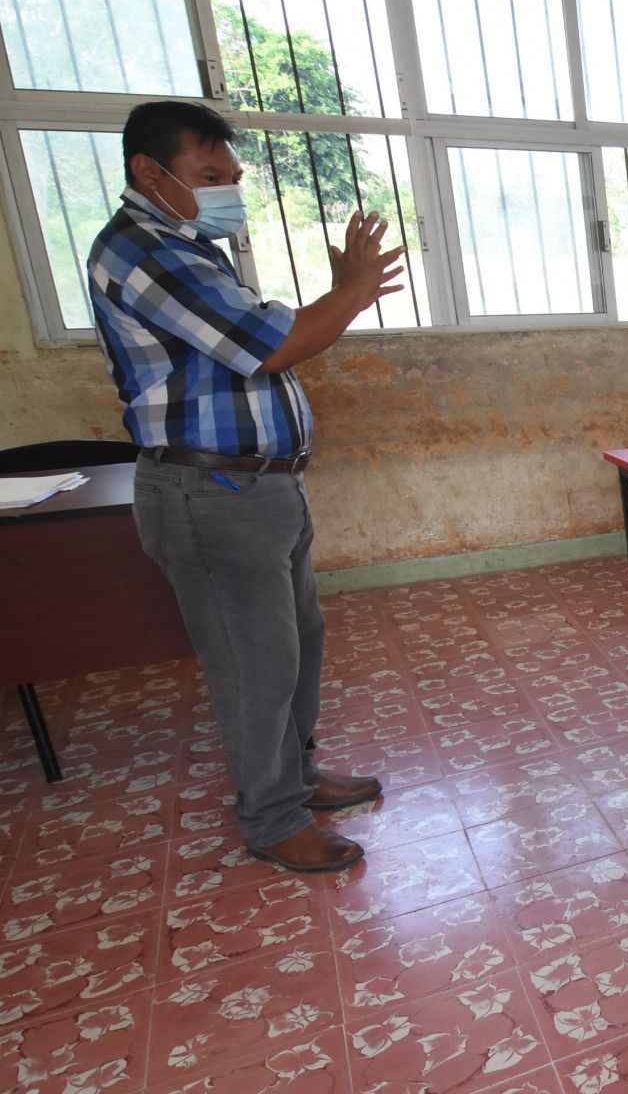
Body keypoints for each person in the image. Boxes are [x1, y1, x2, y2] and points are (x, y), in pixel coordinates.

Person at [87, 101, 404, 872]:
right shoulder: (146, 251)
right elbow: (278, 343)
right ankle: (271, 817)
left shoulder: (189, 247)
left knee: (296, 643)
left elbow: (263, 346)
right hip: (210, 496)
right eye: (209, 176)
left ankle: (294, 774)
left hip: (258, 490)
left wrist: (340, 294)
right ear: (148, 172)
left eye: (232, 176)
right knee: (255, 660)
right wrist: (354, 289)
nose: (227, 190)